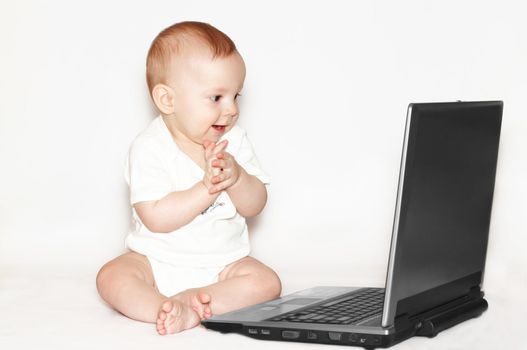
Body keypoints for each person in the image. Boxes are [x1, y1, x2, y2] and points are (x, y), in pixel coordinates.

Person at [96, 21, 281, 335]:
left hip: (223, 265)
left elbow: (255, 205)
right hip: (155, 261)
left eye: (236, 95)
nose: (233, 109)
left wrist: (237, 179)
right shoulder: (150, 147)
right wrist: (207, 188)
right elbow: (155, 217)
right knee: (112, 276)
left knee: (267, 283)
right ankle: (162, 308)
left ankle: (192, 303)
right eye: (217, 97)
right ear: (168, 100)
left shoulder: (234, 142)